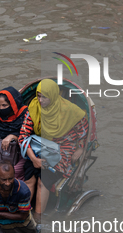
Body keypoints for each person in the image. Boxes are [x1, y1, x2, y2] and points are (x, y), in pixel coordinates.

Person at [19, 79, 88, 214]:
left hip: (63, 150)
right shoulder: (33, 108)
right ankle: (23, 215)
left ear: (53, 96)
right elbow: (23, 136)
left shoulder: (70, 111)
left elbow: (84, 132)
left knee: (42, 180)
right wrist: (34, 159)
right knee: (30, 177)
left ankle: (38, 218)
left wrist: (80, 148)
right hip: (40, 147)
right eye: (38, 96)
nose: (40, 100)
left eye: (45, 97)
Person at [0, 160, 39, 233]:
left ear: (14, 175)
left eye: (10, 179)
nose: (7, 183)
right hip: (3, 225)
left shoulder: (23, 191)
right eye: (3, 180)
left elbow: (23, 216)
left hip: (24, 226)